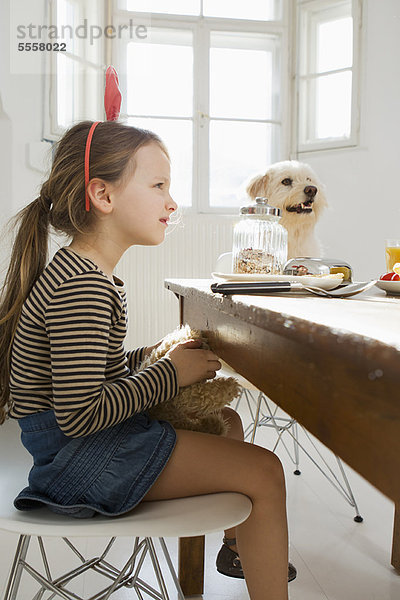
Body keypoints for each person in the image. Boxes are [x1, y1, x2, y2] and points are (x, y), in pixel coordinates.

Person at [0, 119, 291, 599]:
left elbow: (101, 367)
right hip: (76, 460)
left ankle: (237, 549)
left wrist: (156, 354)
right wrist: (170, 373)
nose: (171, 203)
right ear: (103, 195)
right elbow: (79, 415)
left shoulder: (87, 273)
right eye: (158, 186)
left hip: (80, 449)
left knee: (228, 423)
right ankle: (257, 559)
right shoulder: (83, 286)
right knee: (266, 470)